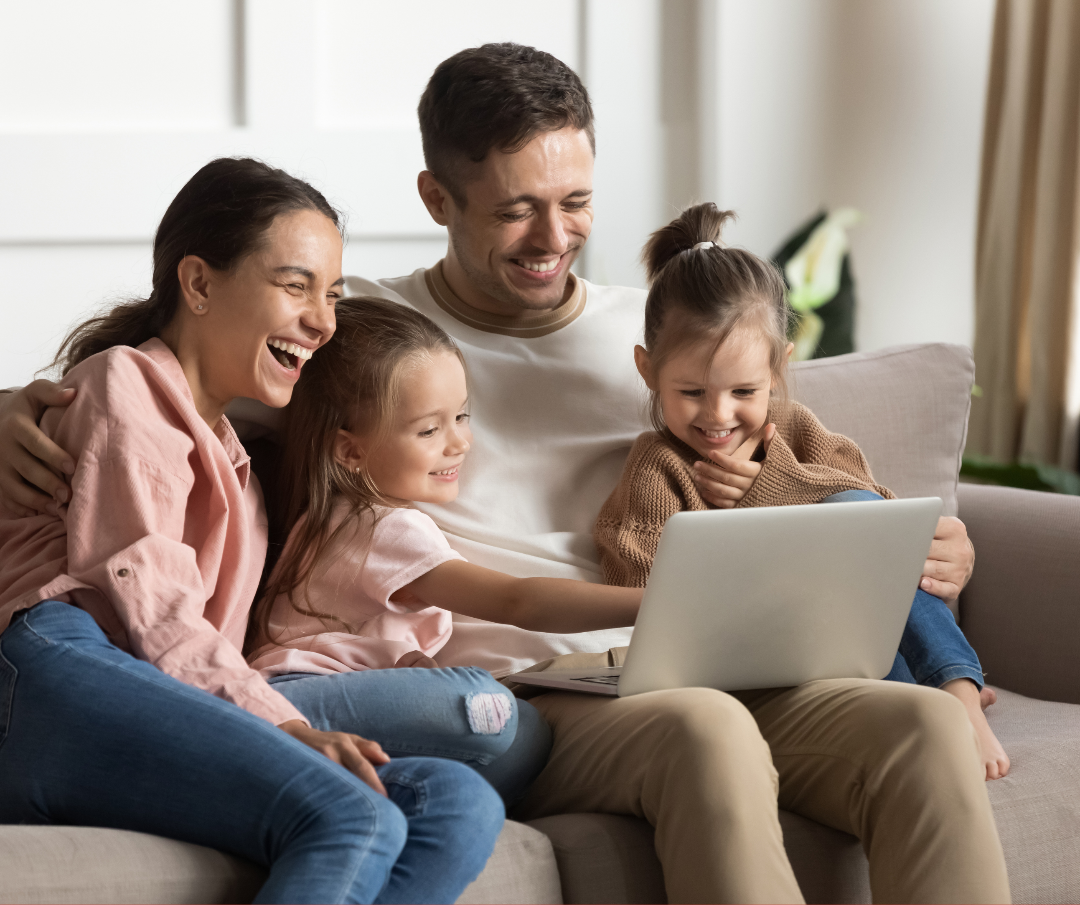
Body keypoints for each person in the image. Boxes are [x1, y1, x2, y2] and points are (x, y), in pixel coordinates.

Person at [0, 44, 1007, 903]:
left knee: (921, 725)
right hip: (537, 691)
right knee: (705, 729)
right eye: (518, 209)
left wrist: (914, 542)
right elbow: (162, 389)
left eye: (576, 202)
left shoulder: (659, 334)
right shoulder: (358, 331)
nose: (554, 238)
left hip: (700, 652)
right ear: (438, 198)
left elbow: (799, 458)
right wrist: (8, 412)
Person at [0, 157, 505, 904]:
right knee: (355, 812)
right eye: (296, 285)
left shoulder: (240, 460)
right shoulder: (125, 382)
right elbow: (151, 605)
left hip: (150, 688)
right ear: (199, 284)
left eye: (332, 295)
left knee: (456, 802)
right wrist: (284, 726)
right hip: (53, 668)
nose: (324, 321)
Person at [594, 202, 1010, 781]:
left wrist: (772, 484)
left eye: (744, 391)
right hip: (760, 662)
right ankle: (928, 705)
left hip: (848, 633)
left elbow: (880, 516)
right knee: (860, 651)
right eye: (691, 392)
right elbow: (641, 600)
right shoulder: (657, 468)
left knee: (858, 514)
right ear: (648, 370)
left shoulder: (796, 429)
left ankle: (959, 692)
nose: (718, 415)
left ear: (778, 368)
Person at [248, 295, 639, 802]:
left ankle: (378, 792)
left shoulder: (333, 517)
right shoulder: (384, 527)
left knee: (526, 737)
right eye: (429, 429)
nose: (459, 443)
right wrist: (653, 601)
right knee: (488, 705)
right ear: (350, 450)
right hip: (292, 698)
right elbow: (517, 601)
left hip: (325, 700)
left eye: (461, 416)